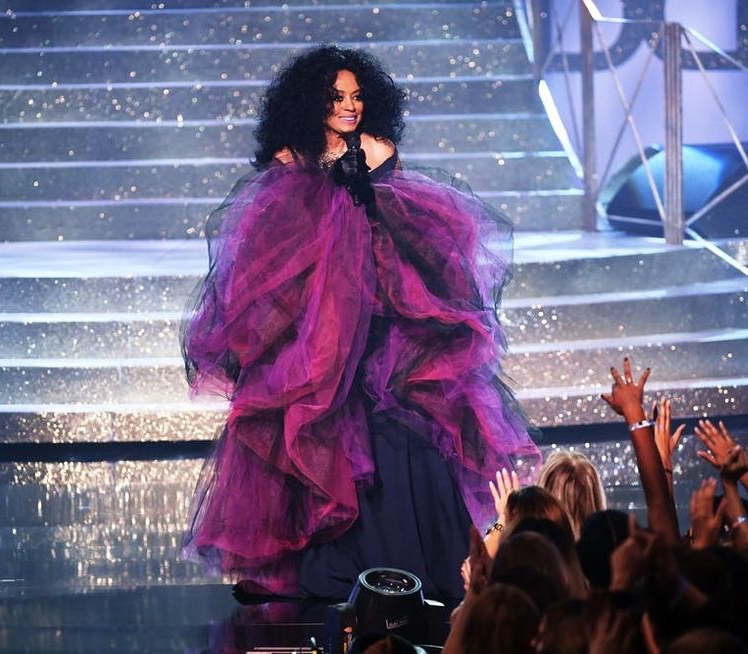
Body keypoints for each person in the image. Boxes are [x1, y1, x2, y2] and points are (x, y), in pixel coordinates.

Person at [182, 45, 540, 601]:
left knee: (400, 423)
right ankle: (327, 564)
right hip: (321, 326)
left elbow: (399, 227)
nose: (350, 106)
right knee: (321, 429)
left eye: (356, 96)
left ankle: (411, 558)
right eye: (336, 98)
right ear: (313, 103)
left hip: (383, 316)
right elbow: (275, 244)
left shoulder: (378, 148)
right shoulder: (291, 160)